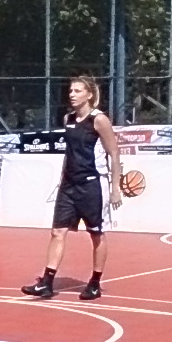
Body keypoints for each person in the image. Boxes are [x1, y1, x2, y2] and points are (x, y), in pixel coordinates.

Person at [21, 76, 125, 301]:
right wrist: (62, 178)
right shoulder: (68, 118)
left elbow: (114, 153)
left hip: (92, 184)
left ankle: (95, 283)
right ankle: (47, 282)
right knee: (57, 231)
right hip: (69, 185)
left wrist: (115, 187)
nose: (72, 94)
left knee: (96, 234)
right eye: (71, 90)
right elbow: (69, 152)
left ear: (89, 94)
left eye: (78, 90)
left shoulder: (99, 120)